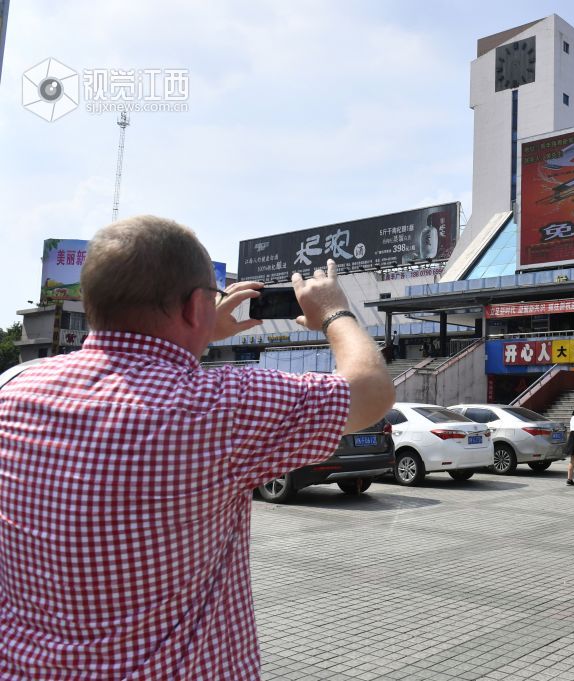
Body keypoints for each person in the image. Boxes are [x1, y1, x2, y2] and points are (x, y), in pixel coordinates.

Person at [0, 216, 394, 679]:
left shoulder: (16, 391)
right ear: (193, 306)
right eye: (212, 297)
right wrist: (334, 311)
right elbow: (370, 391)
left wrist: (198, 331)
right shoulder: (218, 407)